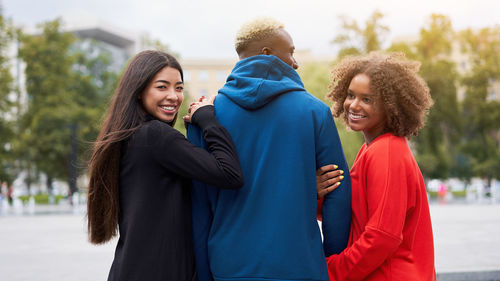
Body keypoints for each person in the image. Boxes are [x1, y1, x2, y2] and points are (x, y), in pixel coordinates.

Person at [188, 18, 351, 281]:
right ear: (267, 53)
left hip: (228, 268)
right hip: (301, 267)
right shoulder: (315, 112)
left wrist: (206, 273)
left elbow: (199, 204)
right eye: (291, 52)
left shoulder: (206, 117)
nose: (295, 62)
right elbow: (338, 195)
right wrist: (331, 260)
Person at [86, 50, 244, 281]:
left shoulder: (130, 135)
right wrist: (208, 118)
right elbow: (230, 174)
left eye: (179, 88)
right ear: (139, 91)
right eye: (162, 87)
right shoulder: (156, 135)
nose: (174, 96)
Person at [322, 52, 436, 280]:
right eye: (350, 95)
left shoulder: (387, 152)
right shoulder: (374, 148)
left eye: (367, 99)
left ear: (391, 106)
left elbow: (382, 237)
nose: (353, 105)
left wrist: (331, 270)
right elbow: (356, 214)